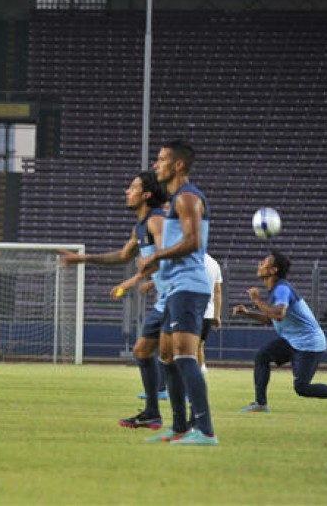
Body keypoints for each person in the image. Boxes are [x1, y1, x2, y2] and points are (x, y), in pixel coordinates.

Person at [60, 171, 168, 430]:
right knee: (144, 351)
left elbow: (167, 255)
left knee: (175, 357)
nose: (126, 191)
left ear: (146, 195)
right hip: (166, 297)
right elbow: (122, 256)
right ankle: (153, 413)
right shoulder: (140, 227)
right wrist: (83, 259)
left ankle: (191, 422)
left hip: (182, 294)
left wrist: (142, 274)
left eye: (132, 187)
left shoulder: (157, 220)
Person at [137, 139, 218, 445]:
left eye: (160, 160)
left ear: (178, 165)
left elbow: (193, 241)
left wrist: (156, 256)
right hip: (174, 288)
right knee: (168, 357)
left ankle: (206, 431)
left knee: (185, 356)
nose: (156, 165)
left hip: (189, 287)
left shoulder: (187, 197)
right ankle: (180, 427)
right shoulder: (177, 200)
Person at [231, 251, 327, 412]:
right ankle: (261, 404)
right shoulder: (275, 290)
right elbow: (270, 318)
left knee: (302, 388)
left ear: (273, 270)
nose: (260, 264)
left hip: (309, 343)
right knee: (262, 356)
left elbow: (279, 314)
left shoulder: (282, 288)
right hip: (292, 340)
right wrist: (248, 313)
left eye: (265, 262)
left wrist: (256, 300)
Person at [199, 253, 223, 373]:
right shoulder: (214, 263)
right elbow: (217, 291)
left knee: (185, 349)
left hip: (190, 310)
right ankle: (202, 371)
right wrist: (217, 315)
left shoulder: (189, 259)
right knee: (199, 346)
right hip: (208, 312)